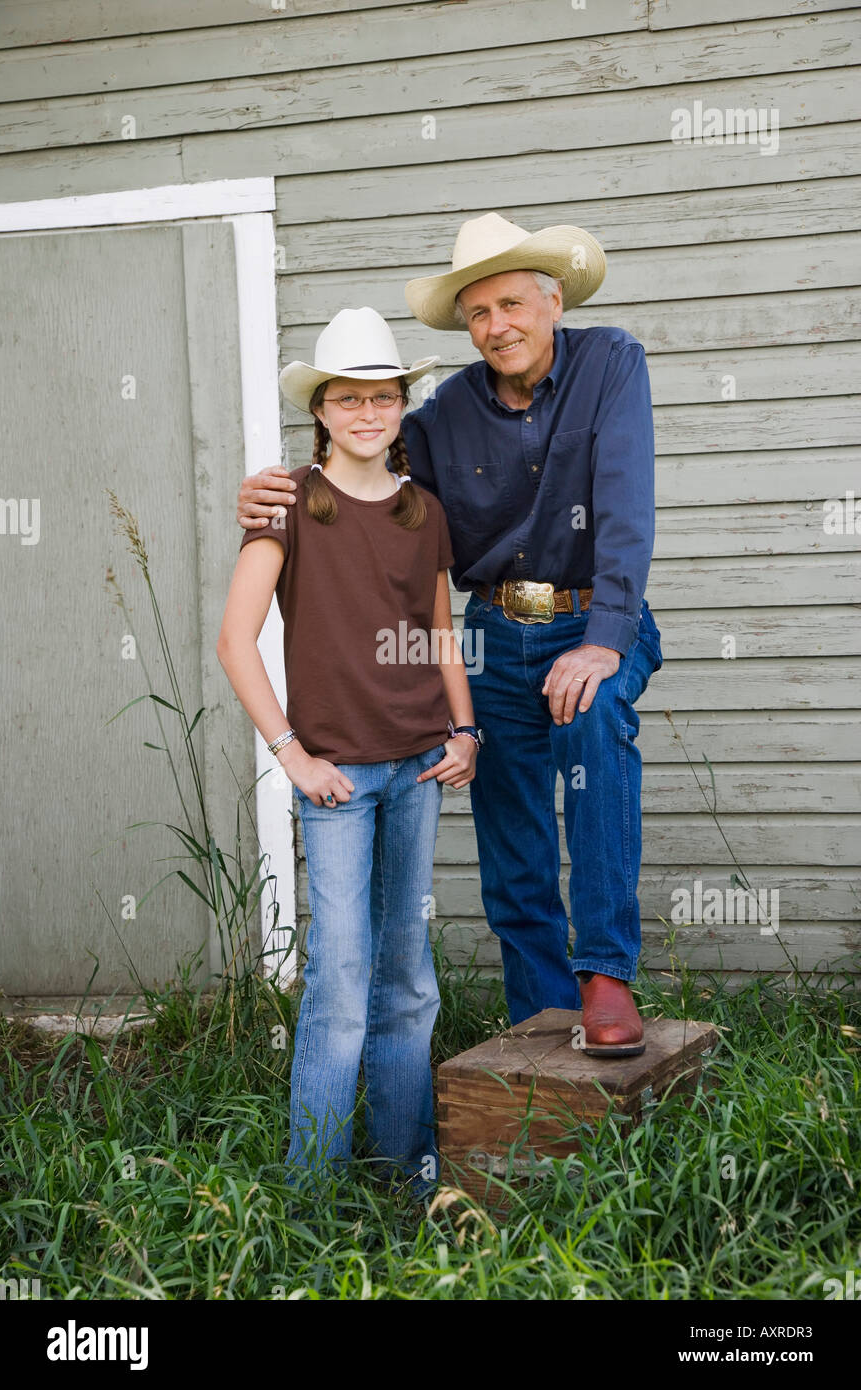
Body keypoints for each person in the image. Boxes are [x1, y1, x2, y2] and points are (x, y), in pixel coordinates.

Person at [236, 214, 663, 1058]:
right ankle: (543, 1013)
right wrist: (279, 490)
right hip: (499, 630)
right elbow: (366, 488)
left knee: (596, 716)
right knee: (510, 822)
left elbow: (625, 505)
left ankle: (605, 971)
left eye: (511, 303)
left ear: (552, 301)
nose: (496, 325)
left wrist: (604, 636)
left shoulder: (611, 362)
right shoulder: (441, 418)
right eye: (477, 313)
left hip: (596, 616)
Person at [217, 307, 479, 1191]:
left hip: (418, 767)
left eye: (383, 396)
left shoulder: (421, 511)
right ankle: (314, 1188)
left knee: (407, 975)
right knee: (338, 978)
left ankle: (405, 1168)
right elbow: (234, 639)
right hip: (335, 775)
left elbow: (441, 633)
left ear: (401, 406)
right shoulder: (290, 504)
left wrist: (466, 729)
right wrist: (291, 752)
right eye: (348, 399)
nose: (368, 412)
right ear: (321, 411)